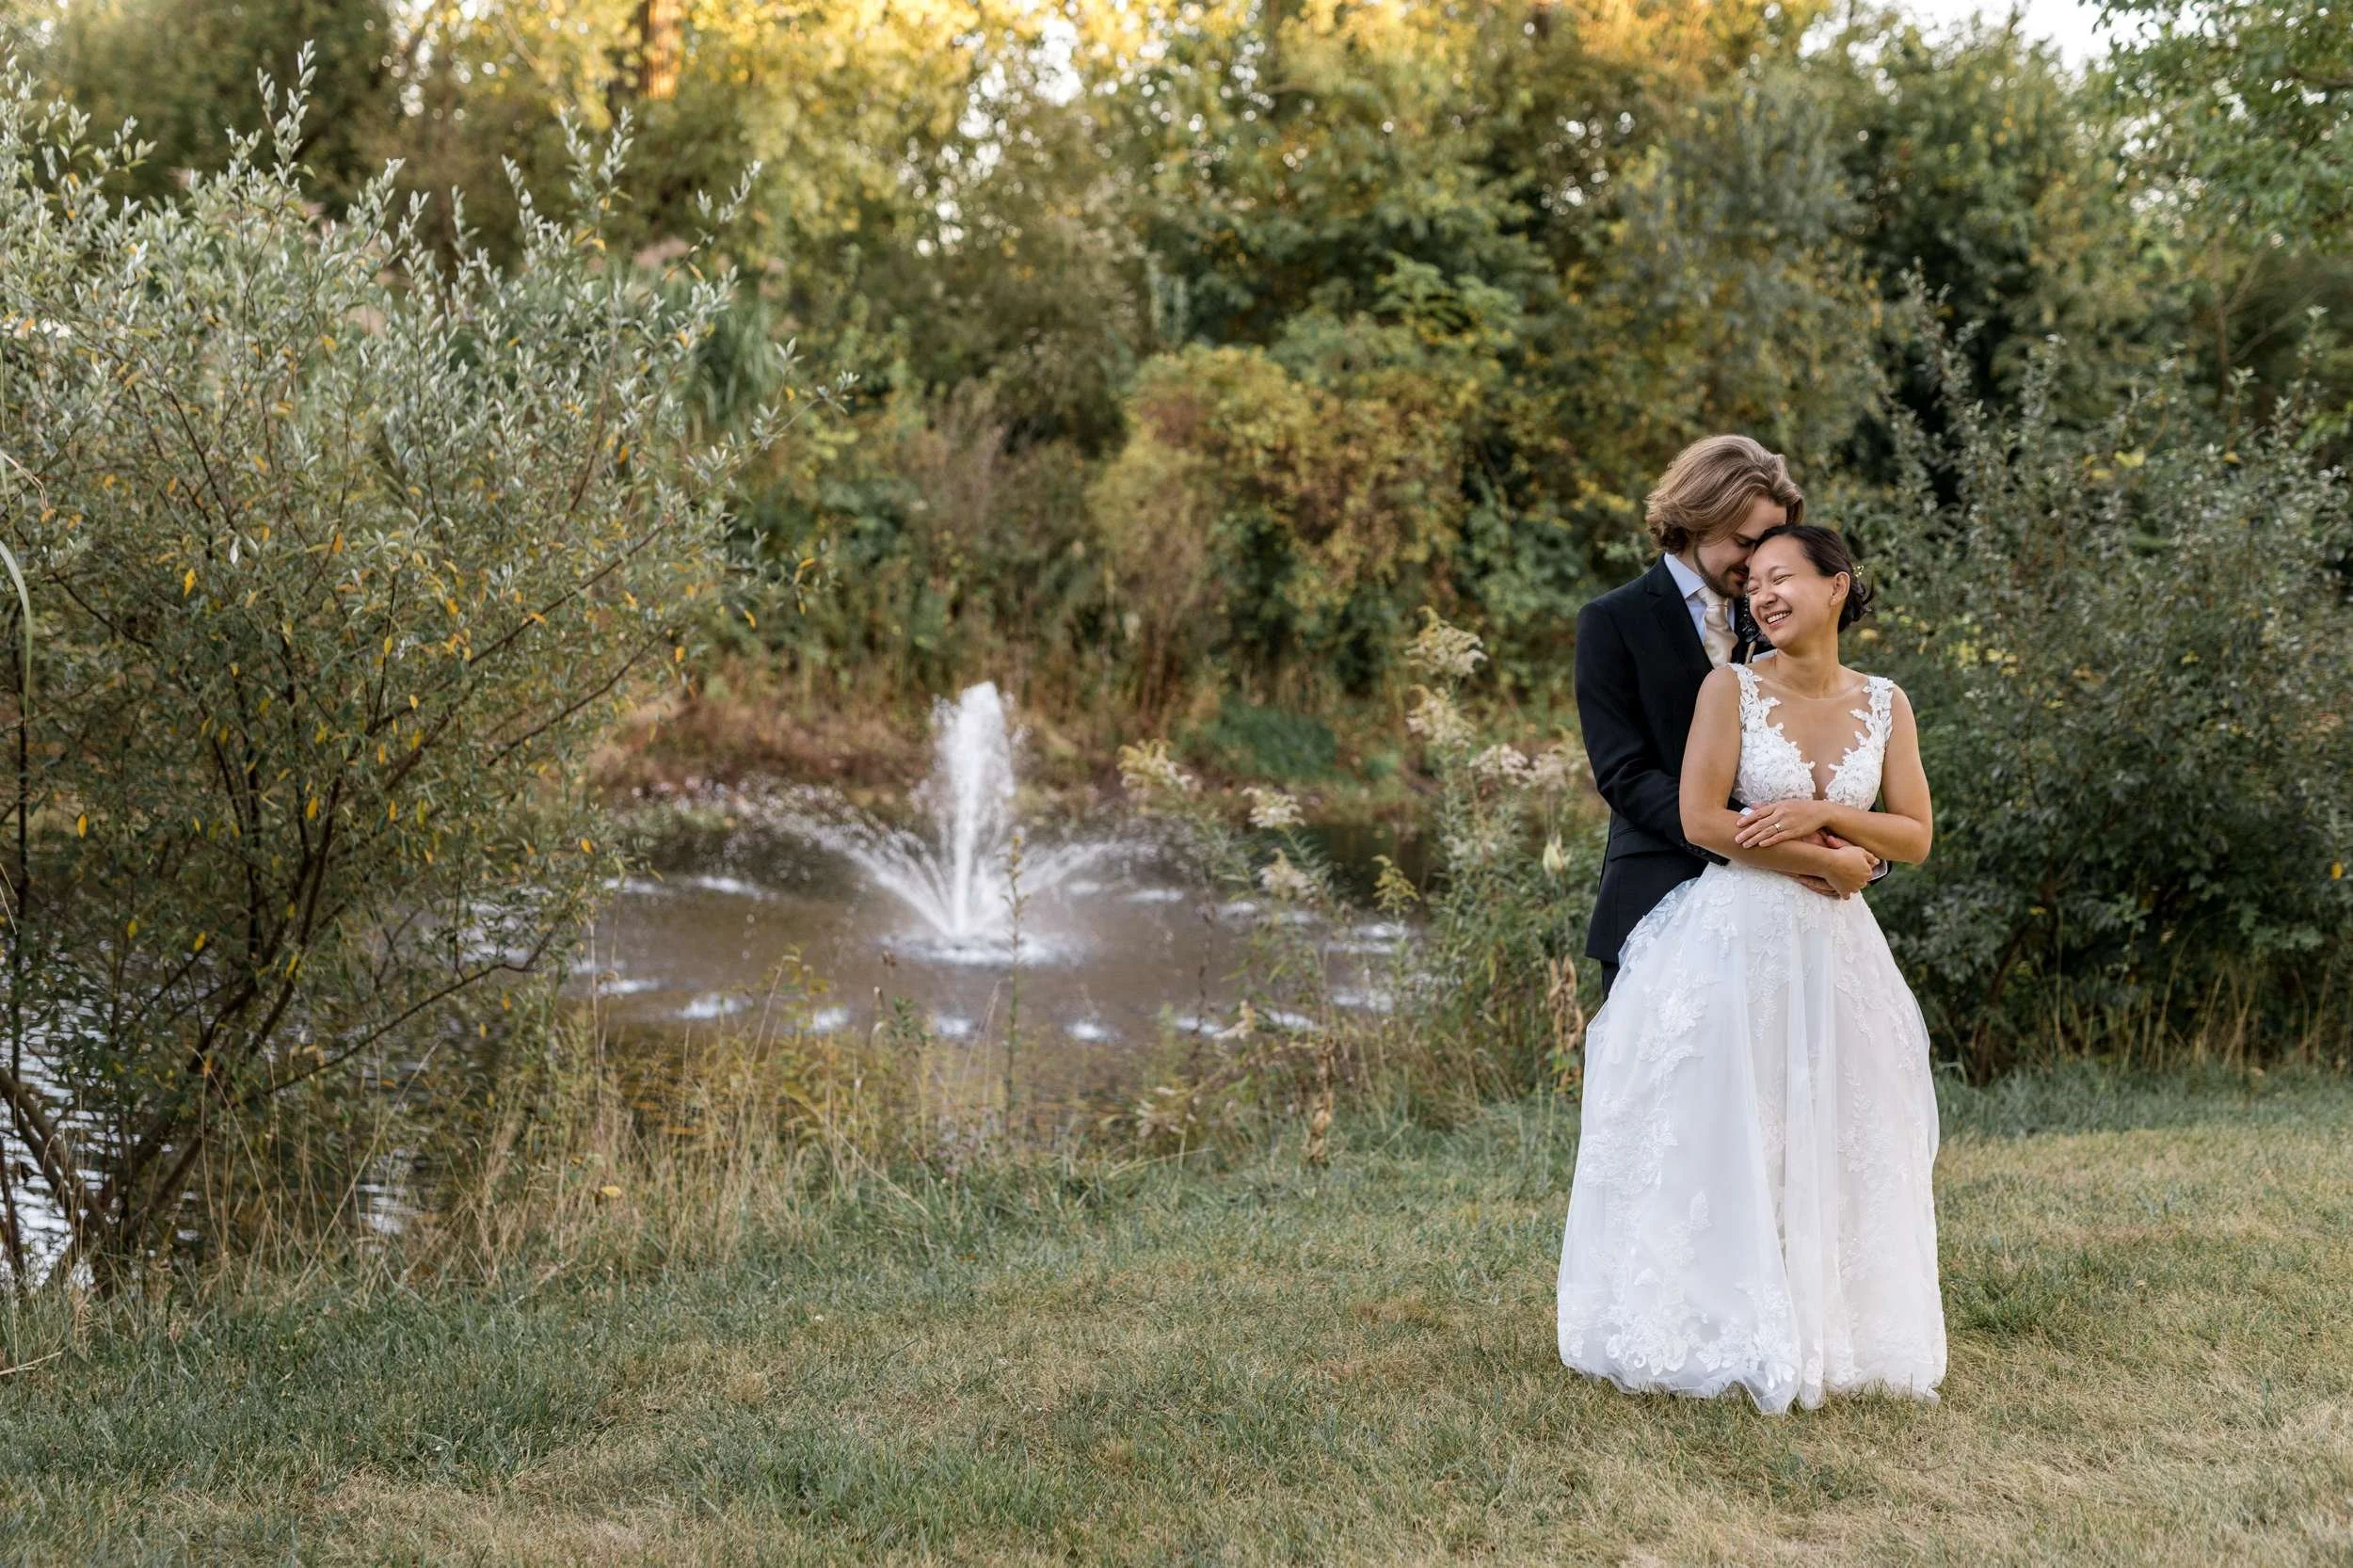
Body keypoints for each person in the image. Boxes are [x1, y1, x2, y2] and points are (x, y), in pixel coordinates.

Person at [1555, 521, 1945, 1413]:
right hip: (1736, 933)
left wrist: (1821, 817)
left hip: (1839, 946)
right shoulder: (1728, 690)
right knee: (1733, 1126)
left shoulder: (1887, 702)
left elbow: (1915, 835)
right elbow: (1699, 819)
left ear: (1837, 587)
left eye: (1782, 579)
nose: (1762, 595)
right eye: (1754, 583)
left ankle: (1834, 1327)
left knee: (1842, 1125)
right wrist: (1820, 858)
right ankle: (1717, 1320)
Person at [1575, 436, 1865, 1000]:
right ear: (1697, 520)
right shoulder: (1613, 622)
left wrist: (1841, 848)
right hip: (1654, 897)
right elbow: (1623, 775)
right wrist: (1769, 846)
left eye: (1769, 544)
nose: (1757, 562)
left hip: (1792, 919)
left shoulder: (1778, 613)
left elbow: (1837, 734)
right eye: (1743, 542)